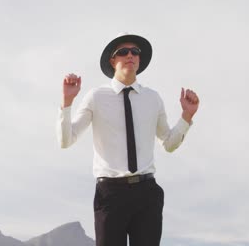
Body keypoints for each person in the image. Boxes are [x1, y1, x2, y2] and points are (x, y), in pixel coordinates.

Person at [56, 33, 199, 246]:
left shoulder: (153, 98)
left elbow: (168, 144)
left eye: (135, 52)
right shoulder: (96, 97)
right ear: (113, 61)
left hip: (147, 193)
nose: (130, 55)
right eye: (123, 52)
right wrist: (67, 102)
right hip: (111, 194)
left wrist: (186, 116)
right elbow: (66, 140)